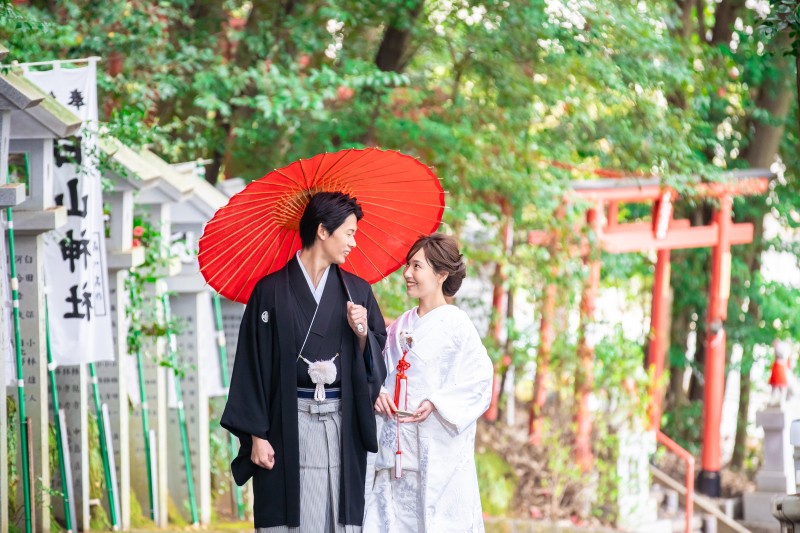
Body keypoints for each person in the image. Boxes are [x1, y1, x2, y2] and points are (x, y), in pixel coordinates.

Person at [221, 192, 388, 532]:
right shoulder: (269, 291)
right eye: (349, 233)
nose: (354, 243)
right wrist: (257, 436)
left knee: (338, 516)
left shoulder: (357, 291)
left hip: (341, 420)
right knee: (289, 514)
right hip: (285, 422)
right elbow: (251, 366)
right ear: (323, 231)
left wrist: (361, 334)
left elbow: (376, 353)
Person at [363, 233, 494, 532]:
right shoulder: (400, 326)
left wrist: (437, 402)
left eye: (417, 266)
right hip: (395, 456)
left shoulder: (458, 327)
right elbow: (379, 372)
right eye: (408, 265)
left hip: (436, 459)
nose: (407, 273)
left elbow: (480, 382)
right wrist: (379, 392)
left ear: (441, 274)